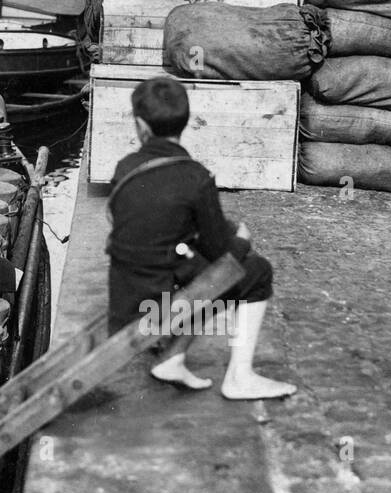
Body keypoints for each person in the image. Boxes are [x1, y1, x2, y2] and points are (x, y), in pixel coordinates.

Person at [105, 77, 297, 400]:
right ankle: (240, 377)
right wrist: (242, 239)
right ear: (186, 122)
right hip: (158, 307)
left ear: (140, 126)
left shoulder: (125, 167)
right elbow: (221, 252)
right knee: (256, 271)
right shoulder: (195, 176)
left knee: (197, 267)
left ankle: (173, 357)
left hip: (125, 297)